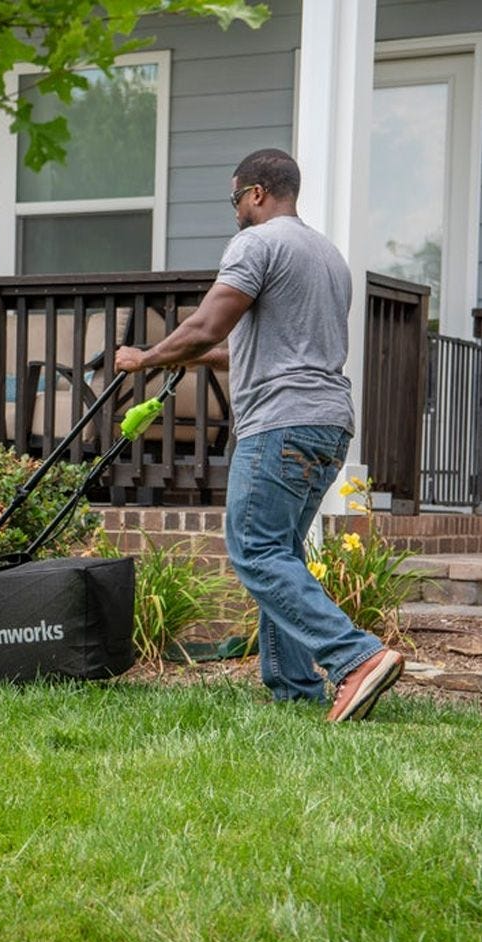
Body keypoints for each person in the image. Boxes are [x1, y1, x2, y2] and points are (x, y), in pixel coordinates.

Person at [113, 148, 402, 722]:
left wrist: (143, 359)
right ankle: (295, 687)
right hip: (328, 422)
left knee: (256, 549)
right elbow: (242, 346)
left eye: (235, 200)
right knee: (282, 552)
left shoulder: (257, 243)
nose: (235, 212)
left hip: (280, 421)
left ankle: (356, 657)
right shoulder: (327, 255)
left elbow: (205, 324)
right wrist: (188, 362)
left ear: (257, 194)